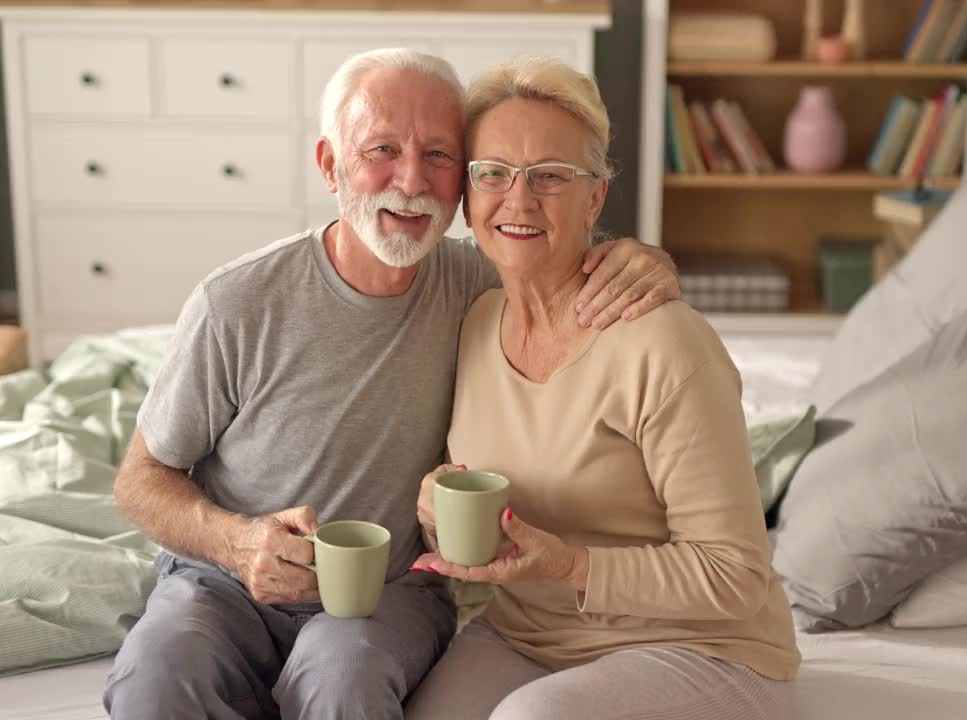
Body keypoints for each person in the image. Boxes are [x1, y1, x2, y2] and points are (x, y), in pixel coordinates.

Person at [102, 48, 681, 720]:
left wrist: (649, 259)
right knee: (157, 677)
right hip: (221, 580)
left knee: (343, 678)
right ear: (330, 165)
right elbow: (138, 480)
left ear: (462, 183)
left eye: (438, 156)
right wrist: (236, 542)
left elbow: (571, 269)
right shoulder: (236, 302)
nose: (410, 181)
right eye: (382, 149)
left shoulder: (483, 288)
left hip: (392, 588)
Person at [405, 58, 800, 720]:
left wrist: (569, 566)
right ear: (466, 196)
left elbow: (736, 576)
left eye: (551, 177)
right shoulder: (473, 321)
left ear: (595, 198)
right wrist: (434, 512)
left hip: (703, 649)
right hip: (530, 637)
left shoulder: (665, 345)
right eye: (494, 173)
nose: (519, 200)